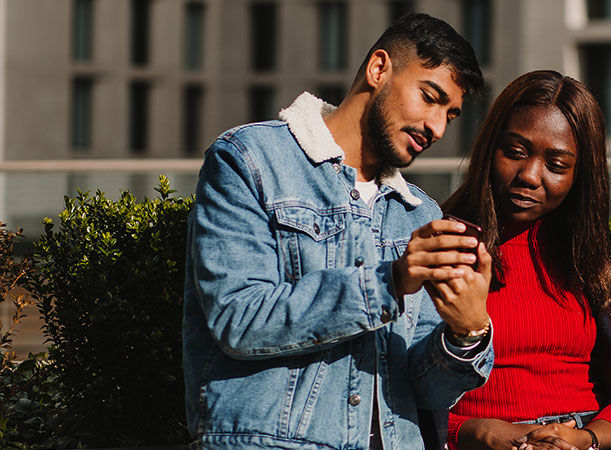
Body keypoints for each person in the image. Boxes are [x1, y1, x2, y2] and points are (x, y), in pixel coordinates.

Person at [183, 13, 497, 449]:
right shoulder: (250, 159)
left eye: (451, 114)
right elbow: (239, 318)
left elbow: (428, 393)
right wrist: (390, 282)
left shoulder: (419, 212)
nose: (437, 127)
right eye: (430, 97)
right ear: (378, 68)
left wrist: (467, 333)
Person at [438, 70, 611, 450]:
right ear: (490, 148)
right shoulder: (443, 245)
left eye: (556, 165)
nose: (530, 176)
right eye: (515, 152)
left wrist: (585, 439)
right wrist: (477, 433)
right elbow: (398, 393)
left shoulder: (590, 261)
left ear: (580, 175)